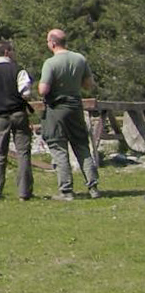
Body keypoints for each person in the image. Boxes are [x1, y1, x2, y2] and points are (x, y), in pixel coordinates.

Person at [38, 28, 100, 200]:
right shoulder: (80, 59)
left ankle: (66, 190)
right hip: (75, 106)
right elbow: (88, 85)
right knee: (81, 145)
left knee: (59, 147)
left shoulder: (50, 63)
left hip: (56, 108)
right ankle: (93, 186)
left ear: (52, 42)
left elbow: (43, 89)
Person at [0, 39, 36, 201]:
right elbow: (25, 93)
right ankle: (24, 192)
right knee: (23, 152)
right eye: (12, 51)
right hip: (18, 113)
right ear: (7, 52)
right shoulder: (18, 70)